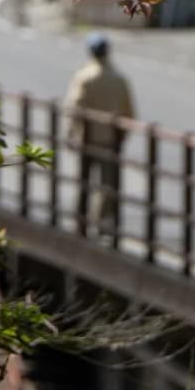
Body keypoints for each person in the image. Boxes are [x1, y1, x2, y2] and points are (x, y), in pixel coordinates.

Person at [63, 31, 135, 241]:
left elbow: (75, 107)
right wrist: (122, 135)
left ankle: (81, 223)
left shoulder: (84, 78)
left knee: (84, 182)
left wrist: (70, 132)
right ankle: (102, 223)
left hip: (87, 136)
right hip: (111, 139)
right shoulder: (119, 79)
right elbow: (129, 112)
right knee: (107, 184)